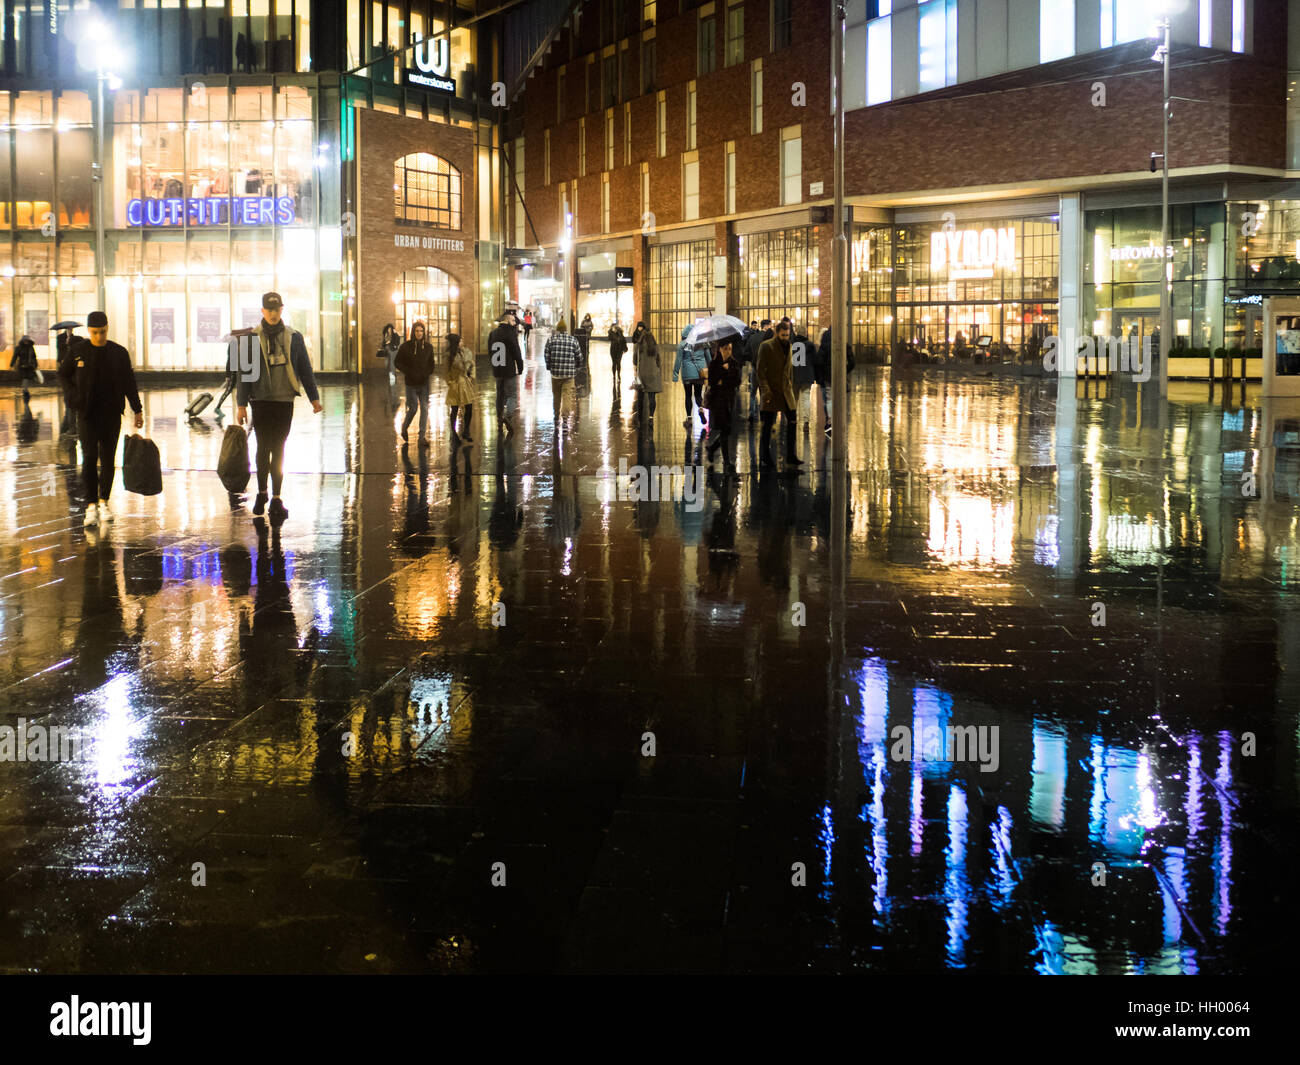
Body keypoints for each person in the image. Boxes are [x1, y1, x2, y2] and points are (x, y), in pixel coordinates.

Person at [235, 291, 322, 522]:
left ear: (282, 310)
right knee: (263, 447)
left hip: (284, 400)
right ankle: (262, 492)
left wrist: (314, 398)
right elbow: (244, 374)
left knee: (280, 447)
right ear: (262, 311)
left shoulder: (294, 337)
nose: (273, 314)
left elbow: (305, 369)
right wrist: (241, 404)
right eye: (269, 310)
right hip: (261, 400)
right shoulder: (251, 338)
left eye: (277, 310)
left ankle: (276, 497)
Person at [59, 311, 143, 527]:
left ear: (108, 328)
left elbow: (128, 381)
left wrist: (137, 409)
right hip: (87, 415)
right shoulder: (78, 351)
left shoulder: (118, 353)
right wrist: (73, 397)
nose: (99, 337)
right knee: (88, 458)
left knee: (107, 460)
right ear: (89, 331)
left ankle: (104, 501)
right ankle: (90, 505)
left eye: (103, 332)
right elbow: (63, 374)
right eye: (95, 333)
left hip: (112, 414)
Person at [756, 317, 802, 472]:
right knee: (768, 425)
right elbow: (760, 371)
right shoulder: (766, 346)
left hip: (786, 392)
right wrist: (765, 389)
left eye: (787, 335)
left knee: (793, 422)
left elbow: (791, 371)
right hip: (772, 392)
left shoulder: (790, 346)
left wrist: (793, 390)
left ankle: (791, 455)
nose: (785, 338)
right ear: (776, 333)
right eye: (783, 335)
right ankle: (765, 456)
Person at [705, 335, 742, 472]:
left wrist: (725, 377)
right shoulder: (714, 364)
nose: (728, 351)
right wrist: (723, 371)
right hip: (718, 401)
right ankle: (726, 462)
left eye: (730, 349)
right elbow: (713, 382)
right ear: (719, 349)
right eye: (725, 348)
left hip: (729, 400)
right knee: (725, 429)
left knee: (727, 429)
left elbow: (737, 381)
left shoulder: (734, 363)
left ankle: (712, 448)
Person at [394, 320, 435, 446]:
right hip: (411, 383)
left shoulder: (428, 347)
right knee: (413, 409)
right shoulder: (405, 347)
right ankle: (404, 427)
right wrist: (408, 372)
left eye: (421, 331)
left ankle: (421, 437)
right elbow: (397, 362)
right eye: (417, 331)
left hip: (424, 383)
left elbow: (431, 364)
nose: (419, 333)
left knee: (424, 408)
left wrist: (426, 373)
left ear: (424, 332)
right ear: (413, 332)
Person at [542, 318, 581, 437]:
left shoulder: (551, 340)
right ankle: (564, 422)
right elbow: (579, 356)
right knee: (567, 397)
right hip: (569, 375)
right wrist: (576, 366)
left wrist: (549, 367)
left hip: (555, 375)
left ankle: (555, 418)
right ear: (566, 329)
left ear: (557, 329)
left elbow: (546, 355)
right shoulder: (573, 340)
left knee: (556, 397)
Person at [489, 310, 525, 437]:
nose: (515, 323)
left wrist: (493, 366)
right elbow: (516, 352)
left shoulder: (493, 333)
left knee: (500, 396)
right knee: (512, 395)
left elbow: (490, 351)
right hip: (508, 370)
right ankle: (507, 416)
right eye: (513, 320)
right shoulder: (510, 333)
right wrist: (520, 367)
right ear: (508, 319)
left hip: (497, 370)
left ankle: (499, 421)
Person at [672, 324, 709, 429]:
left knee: (688, 396)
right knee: (698, 395)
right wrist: (710, 372)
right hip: (699, 374)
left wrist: (675, 375)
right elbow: (709, 358)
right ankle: (701, 409)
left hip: (687, 375)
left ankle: (689, 418)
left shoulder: (682, 345)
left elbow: (678, 361)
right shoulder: (703, 344)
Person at [445, 332, 477, 443]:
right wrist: (450, 383)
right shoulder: (449, 355)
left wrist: (472, 376)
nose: (462, 343)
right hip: (455, 384)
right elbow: (446, 371)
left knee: (469, 407)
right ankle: (453, 433)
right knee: (454, 409)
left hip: (465, 383)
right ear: (456, 343)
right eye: (460, 341)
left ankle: (466, 431)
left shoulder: (465, 352)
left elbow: (472, 364)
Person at [631, 321, 662, 430]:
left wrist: (635, 371)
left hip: (642, 374)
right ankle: (651, 417)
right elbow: (659, 360)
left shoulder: (638, 346)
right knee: (652, 397)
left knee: (641, 397)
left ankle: (640, 419)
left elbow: (634, 360)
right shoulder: (654, 345)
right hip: (653, 373)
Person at [744, 319, 773, 421]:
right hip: (765, 370)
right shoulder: (769, 338)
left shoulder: (752, 337)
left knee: (752, 392)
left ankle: (751, 413)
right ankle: (763, 413)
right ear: (766, 326)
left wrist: (752, 359)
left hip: (754, 368)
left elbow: (746, 352)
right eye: (770, 325)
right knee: (763, 392)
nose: (771, 327)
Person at [213, 331, 245, 416]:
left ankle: (247, 409)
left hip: (239, 371)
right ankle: (217, 408)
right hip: (233, 372)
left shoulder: (239, 344)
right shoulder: (234, 345)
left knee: (244, 390)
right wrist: (227, 375)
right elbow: (230, 360)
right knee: (228, 390)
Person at [55, 326, 78, 432]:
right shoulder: (60, 337)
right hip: (63, 361)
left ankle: (71, 426)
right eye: (69, 329)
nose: (71, 330)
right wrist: (66, 342)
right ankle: (68, 426)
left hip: (71, 362)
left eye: (71, 329)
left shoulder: (74, 337)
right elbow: (59, 347)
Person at [10, 334, 39, 403]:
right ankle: (25, 391)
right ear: (22, 341)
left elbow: (34, 357)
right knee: (25, 378)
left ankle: (25, 390)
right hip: (22, 366)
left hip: (30, 366)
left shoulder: (31, 348)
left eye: (27, 340)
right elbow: (15, 356)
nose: (26, 341)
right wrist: (12, 363)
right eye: (25, 340)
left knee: (29, 378)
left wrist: (35, 364)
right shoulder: (19, 348)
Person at [608, 321, 628, 387]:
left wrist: (625, 348)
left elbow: (624, 341)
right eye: (613, 328)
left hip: (619, 350)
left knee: (618, 362)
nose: (615, 329)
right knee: (614, 363)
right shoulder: (611, 333)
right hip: (613, 350)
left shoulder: (620, 334)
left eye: (615, 328)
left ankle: (618, 375)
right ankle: (614, 375)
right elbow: (609, 338)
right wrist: (611, 330)